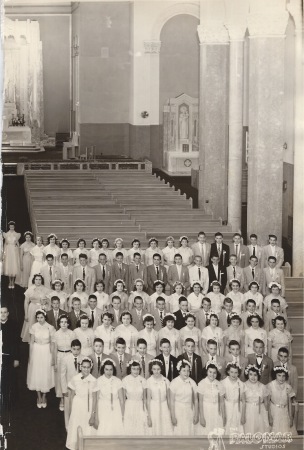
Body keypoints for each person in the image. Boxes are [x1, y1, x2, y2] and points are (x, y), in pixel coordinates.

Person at [66, 358, 97, 450]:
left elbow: (95, 398)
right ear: (80, 367)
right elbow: (71, 396)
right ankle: (76, 446)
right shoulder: (75, 378)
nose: (86, 369)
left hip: (89, 405)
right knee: (77, 424)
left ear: (91, 368)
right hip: (78, 405)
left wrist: (93, 414)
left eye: (88, 367)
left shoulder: (94, 380)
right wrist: (71, 410)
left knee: (87, 426)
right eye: (84, 367)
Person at [27, 309, 55, 408]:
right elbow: (31, 342)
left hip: (47, 351)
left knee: (45, 372)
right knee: (37, 373)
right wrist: (30, 356)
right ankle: (38, 396)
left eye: (41, 317)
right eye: (38, 317)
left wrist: (52, 357)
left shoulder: (50, 327)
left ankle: (44, 396)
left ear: (45, 317)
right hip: (36, 350)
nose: (39, 319)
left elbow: (52, 343)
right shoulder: (34, 327)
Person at [93, 359, 124, 435]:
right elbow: (96, 399)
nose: (109, 372)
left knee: (115, 430)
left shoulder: (118, 381)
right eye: (106, 369)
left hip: (116, 409)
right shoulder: (99, 381)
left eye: (111, 370)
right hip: (103, 408)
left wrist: (123, 415)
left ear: (113, 370)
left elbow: (122, 400)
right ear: (103, 369)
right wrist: (96, 417)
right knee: (104, 430)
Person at [0, 306, 20, 428]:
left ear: (8, 313)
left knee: (10, 379)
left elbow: (16, 343)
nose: (2, 314)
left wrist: (16, 358)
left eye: (4, 312)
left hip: (9, 357)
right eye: (0, 312)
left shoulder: (13, 325)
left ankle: (10, 403)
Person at [60, 339, 85, 430]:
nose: (76, 351)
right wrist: (64, 390)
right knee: (68, 408)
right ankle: (68, 426)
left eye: (78, 349)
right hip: (69, 388)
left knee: (78, 407)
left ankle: (78, 425)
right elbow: (62, 375)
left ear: (80, 349)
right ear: (71, 349)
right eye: (74, 349)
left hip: (80, 388)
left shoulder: (84, 358)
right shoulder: (65, 359)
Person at [52, 313, 75, 411]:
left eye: (65, 322)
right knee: (60, 378)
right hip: (60, 356)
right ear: (59, 323)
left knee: (70, 376)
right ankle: (62, 399)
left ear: (68, 323)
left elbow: (75, 347)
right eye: (61, 322)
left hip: (70, 355)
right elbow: (54, 349)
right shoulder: (56, 334)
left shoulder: (72, 333)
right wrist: (55, 363)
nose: (64, 324)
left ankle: (70, 398)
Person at [170, 359, 198, 435]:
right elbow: (171, 401)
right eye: (184, 370)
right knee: (179, 430)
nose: (186, 373)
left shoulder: (192, 383)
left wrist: (196, 414)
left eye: (188, 371)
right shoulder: (174, 383)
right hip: (178, 410)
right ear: (179, 371)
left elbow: (195, 400)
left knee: (188, 430)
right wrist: (173, 416)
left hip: (189, 410)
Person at [196, 362, 225, 436]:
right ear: (206, 372)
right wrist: (201, 417)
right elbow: (200, 402)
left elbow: (222, 402)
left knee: (216, 431)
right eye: (210, 372)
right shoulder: (202, 384)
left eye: (214, 372)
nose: (212, 374)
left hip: (216, 411)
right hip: (206, 410)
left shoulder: (220, 384)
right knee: (206, 431)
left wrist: (224, 416)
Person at [21, 274, 50, 343]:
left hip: (43, 308)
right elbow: (26, 302)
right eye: (36, 279)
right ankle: (32, 340)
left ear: (42, 280)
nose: (38, 281)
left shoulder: (46, 289)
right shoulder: (30, 289)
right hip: (33, 308)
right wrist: (26, 314)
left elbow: (49, 302)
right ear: (34, 280)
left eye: (40, 279)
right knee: (32, 324)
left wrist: (46, 308)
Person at [267, 366, 297, 434]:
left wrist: (291, 417)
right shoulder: (270, 386)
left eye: (283, 376)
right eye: (279, 375)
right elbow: (268, 403)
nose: (281, 378)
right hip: (274, 412)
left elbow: (289, 403)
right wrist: (269, 417)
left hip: (284, 412)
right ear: (275, 375)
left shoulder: (288, 387)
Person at [146, 359, 173, 435]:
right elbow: (148, 400)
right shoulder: (149, 381)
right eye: (154, 369)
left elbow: (168, 399)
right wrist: (149, 416)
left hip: (164, 406)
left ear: (161, 369)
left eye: (158, 369)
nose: (156, 371)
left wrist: (170, 412)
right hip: (154, 407)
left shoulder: (166, 381)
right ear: (151, 369)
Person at [243, 364, 270, 434]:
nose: (253, 377)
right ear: (247, 375)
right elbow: (242, 401)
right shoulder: (243, 385)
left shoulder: (262, 386)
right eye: (251, 374)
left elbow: (266, 402)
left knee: (260, 430)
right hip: (248, 410)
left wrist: (267, 415)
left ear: (258, 376)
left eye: (255, 375)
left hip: (260, 410)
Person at [123, 360, 147, 434]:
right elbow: (123, 398)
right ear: (130, 369)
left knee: (140, 427)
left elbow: (145, 398)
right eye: (133, 369)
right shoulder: (125, 380)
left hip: (140, 406)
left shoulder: (143, 380)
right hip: (129, 406)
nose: (136, 371)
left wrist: (145, 409)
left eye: (137, 369)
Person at [221, 362, 245, 435]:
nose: (233, 374)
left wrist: (243, 415)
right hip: (227, 407)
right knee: (227, 425)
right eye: (231, 372)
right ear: (228, 371)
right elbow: (221, 400)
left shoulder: (241, 384)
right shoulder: (223, 383)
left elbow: (243, 401)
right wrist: (223, 415)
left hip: (238, 408)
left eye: (236, 372)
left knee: (237, 427)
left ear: (238, 373)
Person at [2, 221, 21, 288]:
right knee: (9, 266)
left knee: (14, 265)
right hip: (8, 250)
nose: (11, 228)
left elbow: (18, 244)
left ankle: (13, 281)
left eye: (12, 227)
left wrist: (18, 248)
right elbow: (5, 244)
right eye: (10, 227)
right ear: (9, 227)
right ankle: (10, 282)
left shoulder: (17, 234)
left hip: (14, 250)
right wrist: (4, 252)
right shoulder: (6, 234)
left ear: (14, 227)